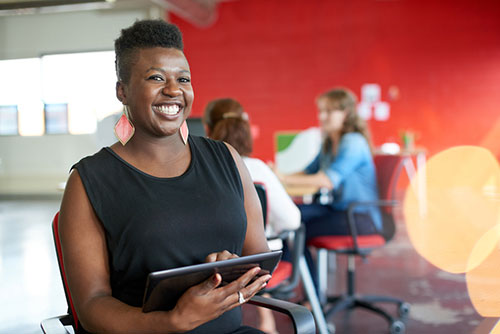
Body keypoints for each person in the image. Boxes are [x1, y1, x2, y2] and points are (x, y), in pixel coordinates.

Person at [58, 20, 271, 334]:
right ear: (123, 91)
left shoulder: (227, 158)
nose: (174, 90)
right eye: (156, 77)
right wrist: (173, 321)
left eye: (183, 78)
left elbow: (259, 261)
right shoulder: (89, 181)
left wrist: (231, 269)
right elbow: (91, 305)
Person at [203, 98, 301, 334]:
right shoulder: (257, 168)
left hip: (212, 264)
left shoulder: (202, 172)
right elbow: (292, 220)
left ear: (207, 129)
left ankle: (265, 318)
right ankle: (276, 316)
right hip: (260, 263)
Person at [273, 87, 381, 288]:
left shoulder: (353, 142)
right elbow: (307, 172)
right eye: (321, 111)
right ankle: (292, 280)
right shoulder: (329, 143)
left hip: (359, 218)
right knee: (288, 216)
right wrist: (277, 176)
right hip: (339, 210)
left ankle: (303, 289)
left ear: (346, 113)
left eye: (329, 111)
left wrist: (283, 177)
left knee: (296, 229)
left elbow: (327, 180)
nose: (322, 116)